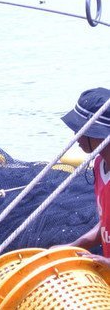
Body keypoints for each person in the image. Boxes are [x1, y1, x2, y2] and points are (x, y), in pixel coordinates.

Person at [62, 88, 110, 264]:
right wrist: (75, 245)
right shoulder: (99, 165)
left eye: (83, 130)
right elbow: (106, 225)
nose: (77, 137)